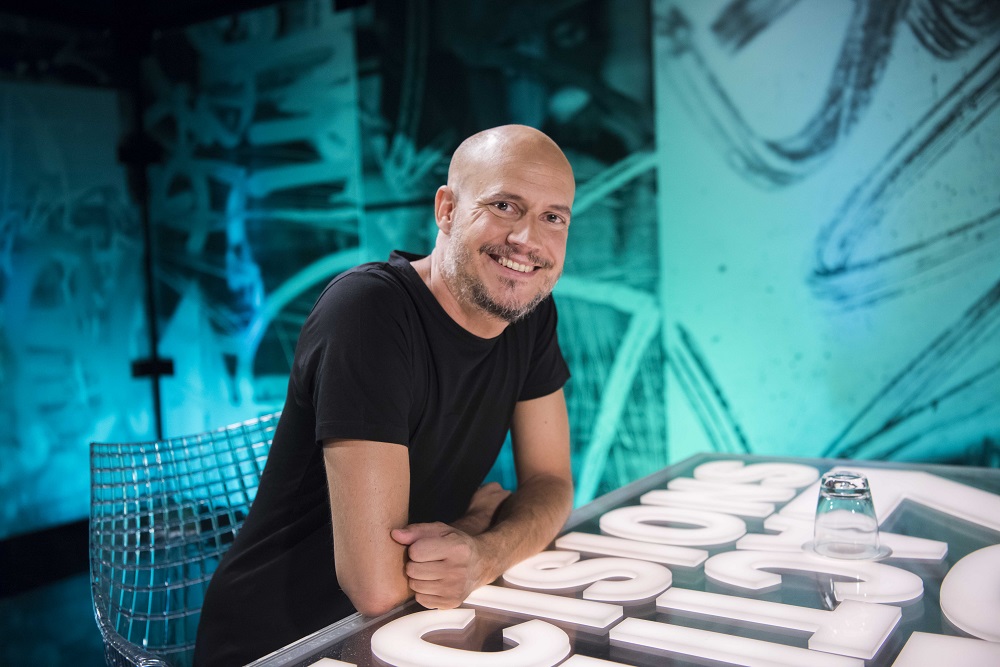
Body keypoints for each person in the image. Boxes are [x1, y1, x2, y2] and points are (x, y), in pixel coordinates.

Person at [194, 124, 576, 666]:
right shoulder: (368, 312)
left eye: (553, 217)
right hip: (288, 643)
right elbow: (375, 590)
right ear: (447, 210)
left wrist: (484, 552)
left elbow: (552, 483)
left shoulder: (528, 314)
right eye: (504, 206)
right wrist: (473, 525)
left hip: (411, 629)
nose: (526, 239)